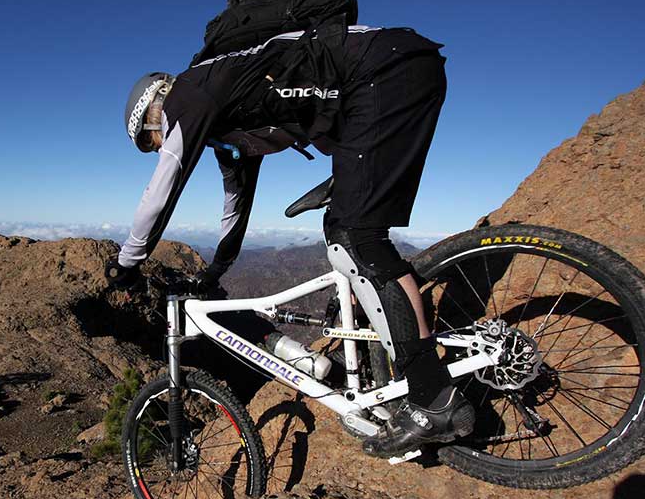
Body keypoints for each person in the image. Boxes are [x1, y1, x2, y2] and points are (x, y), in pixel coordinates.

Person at [105, 24, 475, 458]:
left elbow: (163, 186)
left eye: (152, 137)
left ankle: (433, 397)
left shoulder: (189, 93)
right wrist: (216, 271)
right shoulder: (229, 126)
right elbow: (235, 207)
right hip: (388, 75)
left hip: (380, 74)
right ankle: (397, 369)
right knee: (346, 234)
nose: (161, 142)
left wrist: (127, 262)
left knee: (355, 238)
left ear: (154, 109)